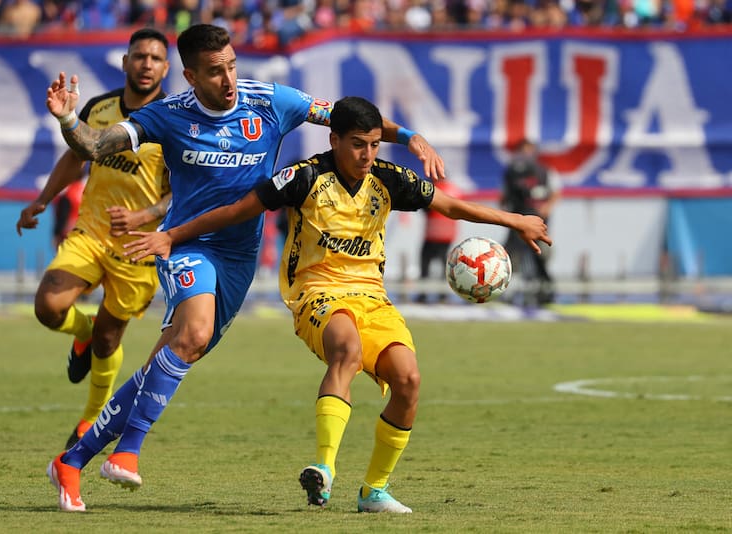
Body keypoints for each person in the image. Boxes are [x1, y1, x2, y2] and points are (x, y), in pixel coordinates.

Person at [42, 24, 445, 513]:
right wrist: (68, 120)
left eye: (232, 65)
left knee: (168, 360)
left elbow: (350, 119)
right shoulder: (167, 114)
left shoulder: (271, 101)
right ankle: (127, 453)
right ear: (191, 76)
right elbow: (93, 145)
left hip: (239, 259)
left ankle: (72, 461)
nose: (229, 79)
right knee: (192, 334)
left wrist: (412, 137)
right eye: (215, 71)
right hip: (187, 244)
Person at [123, 96, 551, 513]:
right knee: (347, 350)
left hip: (372, 297)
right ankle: (324, 468)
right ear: (334, 139)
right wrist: (172, 235)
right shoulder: (303, 177)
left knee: (408, 380)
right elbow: (238, 210)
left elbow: (451, 206)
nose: (367, 155)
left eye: (374, 144)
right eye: (357, 144)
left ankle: (374, 491)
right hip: (317, 292)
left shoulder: (389, 178)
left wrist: (515, 220)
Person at [16, 27, 172, 451]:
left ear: (166, 68)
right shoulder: (100, 108)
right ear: (125, 62)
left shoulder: (174, 119)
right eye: (139, 56)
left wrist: (143, 216)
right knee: (48, 306)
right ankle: (81, 330)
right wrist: (43, 199)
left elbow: (182, 192)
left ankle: (92, 417)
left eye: (155, 58)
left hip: (138, 247)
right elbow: (76, 156)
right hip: (91, 231)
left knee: (108, 339)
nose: (146, 64)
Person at [500, 138, 561, 306]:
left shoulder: (544, 171)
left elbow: (555, 192)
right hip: (517, 222)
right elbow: (505, 195)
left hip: (536, 223)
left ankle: (544, 291)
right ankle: (503, 291)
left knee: (539, 257)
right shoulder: (511, 172)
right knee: (509, 256)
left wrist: (546, 208)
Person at [416, 178, 464, 303]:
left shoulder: (432, 188)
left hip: (434, 231)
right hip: (448, 232)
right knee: (444, 263)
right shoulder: (454, 189)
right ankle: (443, 295)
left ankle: (423, 294)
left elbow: (425, 206)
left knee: (425, 261)